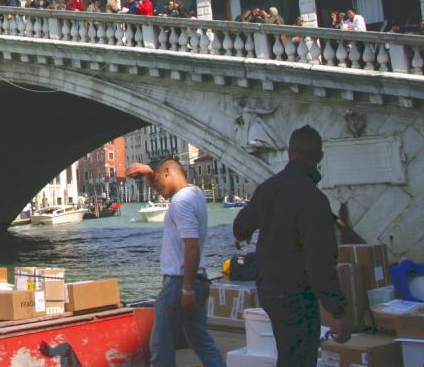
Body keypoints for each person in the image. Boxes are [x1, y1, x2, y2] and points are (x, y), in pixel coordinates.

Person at [233, 126, 350, 366]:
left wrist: (242, 235)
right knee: (300, 358)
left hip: (268, 287)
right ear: (320, 157)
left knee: (290, 354)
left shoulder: (268, 189)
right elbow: (321, 260)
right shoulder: (315, 199)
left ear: (289, 152)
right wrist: (337, 311)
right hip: (296, 292)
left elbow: (241, 225)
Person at [126, 158, 225, 367]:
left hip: (179, 283)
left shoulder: (181, 202)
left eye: (158, 181)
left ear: (167, 172)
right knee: (200, 340)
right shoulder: (196, 193)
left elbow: (192, 246)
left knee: (161, 343)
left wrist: (187, 289)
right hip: (199, 278)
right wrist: (150, 173)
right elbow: (165, 189)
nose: (157, 188)